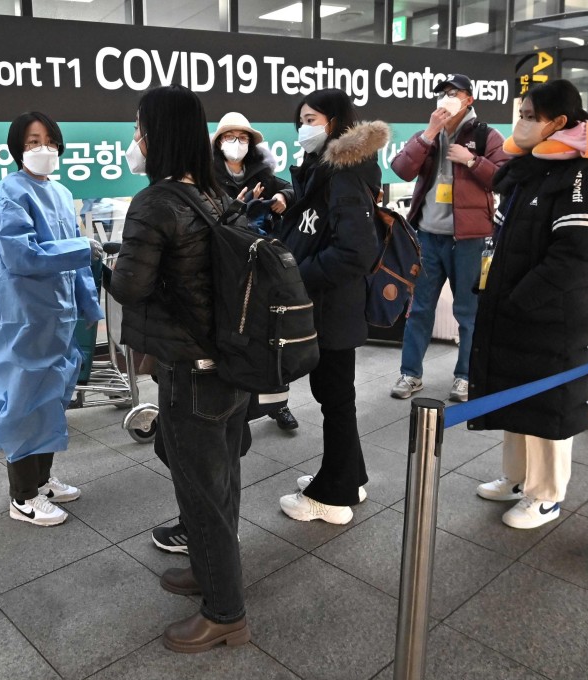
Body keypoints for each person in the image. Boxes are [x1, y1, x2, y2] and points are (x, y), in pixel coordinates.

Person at [109, 84, 251, 653]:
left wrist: (108, 264)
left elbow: (130, 285)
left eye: (140, 128)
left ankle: (225, 613)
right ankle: (211, 571)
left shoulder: (155, 203)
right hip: (230, 364)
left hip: (188, 369)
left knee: (199, 490)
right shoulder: (213, 193)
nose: (135, 140)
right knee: (223, 480)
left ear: (159, 135)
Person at [0, 112, 104, 527]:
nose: (42, 148)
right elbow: (19, 255)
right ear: (16, 149)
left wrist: (87, 304)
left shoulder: (60, 192)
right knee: (23, 399)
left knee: (52, 397)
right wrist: (83, 249)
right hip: (24, 314)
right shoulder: (9, 193)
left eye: (47, 140)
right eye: (31, 142)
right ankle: (22, 495)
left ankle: (42, 480)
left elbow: (72, 256)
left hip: (56, 314)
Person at [468, 79, 588, 530]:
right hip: (515, 308)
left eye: (528, 116)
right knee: (515, 396)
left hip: (550, 316)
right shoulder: (530, 167)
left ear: (559, 122)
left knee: (547, 405)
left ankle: (546, 495)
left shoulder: (579, 173)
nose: (518, 123)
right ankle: (518, 478)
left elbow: (576, 255)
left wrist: (521, 299)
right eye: (519, 113)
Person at [276, 88, 389, 524]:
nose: (305, 127)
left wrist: (298, 277)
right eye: (301, 119)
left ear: (336, 122)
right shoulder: (323, 168)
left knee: (336, 397)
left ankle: (334, 496)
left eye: (313, 119)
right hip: (327, 303)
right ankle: (349, 475)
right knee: (336, 396)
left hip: (332, 305)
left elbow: (356, 251)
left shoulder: (344, 171)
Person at [390, 74, 509, 403]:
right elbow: (400, 169)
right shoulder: (428, 135)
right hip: (428, 236)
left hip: (470, 239)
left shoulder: (486, 136)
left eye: (452, 93)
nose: (445, 98)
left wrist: (471, 160)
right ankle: (410, 374)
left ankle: (465, 377)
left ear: (469, 99)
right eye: (441, 93)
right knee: (419, 309)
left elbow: (504, 178)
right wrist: (428, 134)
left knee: (469, 311)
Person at [210, 111, 300, 432]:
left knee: (271, 337)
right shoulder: (207, 175)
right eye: (231, 137)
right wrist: (235, 206)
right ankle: (239, 411)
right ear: (220, 142)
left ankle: (278, 405)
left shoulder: (262, 171)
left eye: (243, 138)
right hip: (226, 267)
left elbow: (292, 189)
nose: (237, 143)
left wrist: (281, 197)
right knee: (237, 339)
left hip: (262, 265)